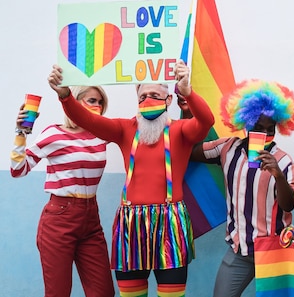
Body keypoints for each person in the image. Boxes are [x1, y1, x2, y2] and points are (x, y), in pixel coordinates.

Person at [47, 60, 215, 297]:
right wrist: (65, 96)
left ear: (168, 100)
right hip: (131, 225)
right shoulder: (124, 128)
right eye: (143, 96)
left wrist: (187, 91)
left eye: (155, 94)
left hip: (170, 223)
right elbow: (88, 120)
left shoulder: (181, 130)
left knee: (172, 294)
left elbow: (206, 121)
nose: (148, 100)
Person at [190, 79, 294, 297]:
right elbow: (191, 151)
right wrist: (188, 112)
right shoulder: (227, 148)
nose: (265, 135)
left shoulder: (285, 162)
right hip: (240, 250)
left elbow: (289, 206)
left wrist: (277, 174)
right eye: (258, 129)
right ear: (246, 124)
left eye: (271, 130)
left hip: (275, 249)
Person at [10, 86, 115, 297]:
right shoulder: (55, 133)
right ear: (73, 103)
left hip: (91, 219)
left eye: (99, 102)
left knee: (103, 292)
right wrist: (21, 132)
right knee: (58, 293)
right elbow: (18, 170)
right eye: (91, 100)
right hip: (59, 218)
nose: (96, 106)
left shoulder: (102, 134)